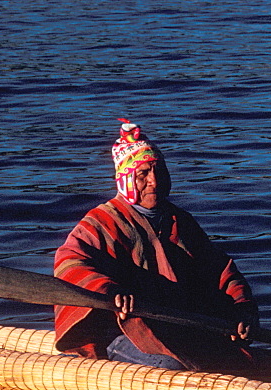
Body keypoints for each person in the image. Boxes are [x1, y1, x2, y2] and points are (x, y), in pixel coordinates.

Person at [54, 119, 259, 373]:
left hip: (179, 328)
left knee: (240, 362)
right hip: (122, 332)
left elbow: (219, 270)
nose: (154, 181)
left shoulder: (179, 220)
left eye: (159, 171)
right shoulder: (102, 222)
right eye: (143, 174)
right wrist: (109, 290)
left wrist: (241, 309)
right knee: (171, 367)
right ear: (126, 179)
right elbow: (69, 262)